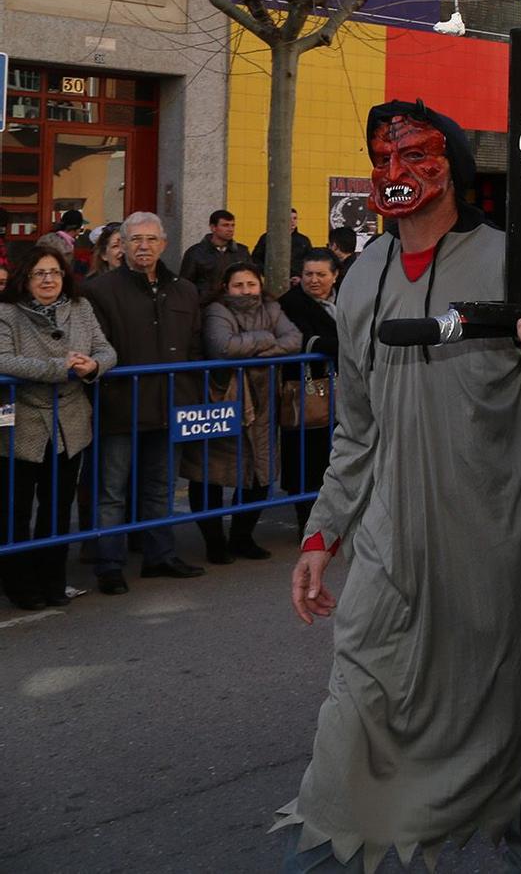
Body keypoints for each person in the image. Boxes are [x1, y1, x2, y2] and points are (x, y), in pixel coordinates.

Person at [276, 101, 521, 872]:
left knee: (504, 719)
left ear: (451, 167)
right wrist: (324, 534)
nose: (395, 172)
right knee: (354, 702)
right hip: (391, 544)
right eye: (381, 157)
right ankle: (332, 837)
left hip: (495, 547)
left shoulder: (514, 263)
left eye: (415, 155)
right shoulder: (361, 282)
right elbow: (355, 429)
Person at [82, 211, 206, 593]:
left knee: (161, 486)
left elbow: (195, 345)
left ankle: (160, 556)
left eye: (151, 239)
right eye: (136, 239)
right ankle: (110, 564)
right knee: (112, 491)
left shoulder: (184, 289)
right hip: (119, 406)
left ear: (164, 244)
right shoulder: (100, 290)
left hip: (170, 404)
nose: (144, 246)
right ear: (122, 244)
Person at [0, 245, 115, 609]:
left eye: (55, 272)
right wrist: (59, 368)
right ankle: (19, 585)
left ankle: (53, 580)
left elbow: (107, 349)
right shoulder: (6, 313)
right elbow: (3, 359)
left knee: (58, 507)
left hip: (70, 424)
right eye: (39, 273)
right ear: (25, 278)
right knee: (16, 511)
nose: (48, 279)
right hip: (22, 424)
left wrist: (93, 365)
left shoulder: (80, 308)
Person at [185, 262, 300, 566]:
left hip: (264, 402)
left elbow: (294, 340)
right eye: (239, 285)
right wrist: (265, 339)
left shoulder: (271, 307)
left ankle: (242, 537)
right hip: (221, 398)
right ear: (225, 286)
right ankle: (214, 541)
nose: (245, 290)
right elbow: (223, 347)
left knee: (259, 472)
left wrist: (253, 350)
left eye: (251, 284)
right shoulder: (216, 310)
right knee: (209, 472)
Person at [278, 249, 341, 529]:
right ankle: (309, 523)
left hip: (344, 391)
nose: (314, 280)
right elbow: (303, 339)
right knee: (308, 460)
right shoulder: (291, 303)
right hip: (308, 393)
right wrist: (347, 344)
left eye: (321, 274)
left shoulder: (347, 300)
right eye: (308, 274)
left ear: (335, 275)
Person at [180, 209, 250, 298]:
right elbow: (185, 283)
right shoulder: (195, 252)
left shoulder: (242, 252)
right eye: (225, 225)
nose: (230, 229)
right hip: (204, 304)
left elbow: (249, 277)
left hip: (235, 302)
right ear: (213, 227)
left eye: (232, 225)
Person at [253, 208, 314, 289]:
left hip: (297, 284)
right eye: (289, 218)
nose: (292, 221)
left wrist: (302, 278)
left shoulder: (304, 241)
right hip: (273, 283)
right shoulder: (268, 238)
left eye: (295, 218)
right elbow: (256, 258)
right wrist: (266, 274)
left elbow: (310, 262)